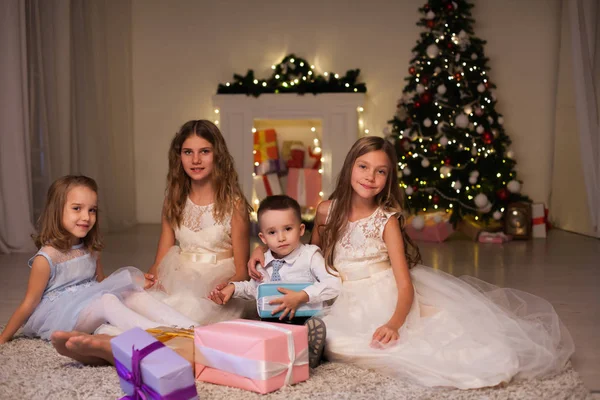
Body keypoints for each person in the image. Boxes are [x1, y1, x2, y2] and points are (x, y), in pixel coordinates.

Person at [247, 136, 574, 389]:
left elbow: (404, 284)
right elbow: (306, 257)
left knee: (368, 345)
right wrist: (263, 251)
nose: (370, 177)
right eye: (363, 167)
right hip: (337, 292)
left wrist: (394, 323)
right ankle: (313, 338)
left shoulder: (386, 219)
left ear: (388, 179)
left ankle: (324, 341)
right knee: (328, 333)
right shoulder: (325, 210)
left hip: (380, 292)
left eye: (380, 171)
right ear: (349, 168)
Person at [0, 175, 195, 345]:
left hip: (89, 302)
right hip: (62, 316)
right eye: (77, 208)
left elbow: (101, 282)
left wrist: (132, 283)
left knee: (130, 292)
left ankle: (192, 328)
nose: (86, 217)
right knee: (108, 300)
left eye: (92, 210)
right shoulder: (46, 258)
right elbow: (29, 302)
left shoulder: (90, 249)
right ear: (57, 210)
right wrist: (3, 337)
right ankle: (162, 336)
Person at [209, 195, 341, 367]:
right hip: (273, 319)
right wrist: (233, 288)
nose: (281, 238)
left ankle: (308, 347)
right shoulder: (263, 261)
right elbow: (256, 289)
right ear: (263, 238)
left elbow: (333, 284)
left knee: (310, 326)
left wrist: (302, 296)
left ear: (301, 230)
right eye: (272, 232)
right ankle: (281, 348)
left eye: (287, 229)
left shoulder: (310, 255)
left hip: (304, 315)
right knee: (260, 331)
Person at [143, 119, 253, 325]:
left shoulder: (234, 204)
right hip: (180, 276)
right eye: (187, 152)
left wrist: (227, 287)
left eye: (204, 151)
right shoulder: (173, 201)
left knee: (188, 310)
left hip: (216, 282)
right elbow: (160, 260)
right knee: (141, 303)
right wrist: (149, 281)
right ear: (179, 157)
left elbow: (241, 270)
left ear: (217, 156)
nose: (195, 160)